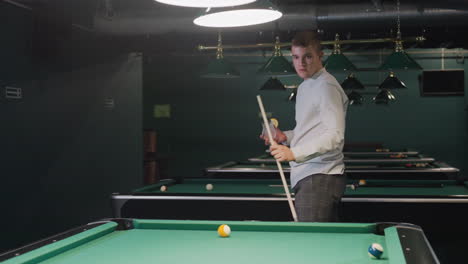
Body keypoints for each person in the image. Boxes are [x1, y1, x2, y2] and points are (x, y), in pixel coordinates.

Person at [260, 31, 349, 222]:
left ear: (320, 56)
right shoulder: (305, 86)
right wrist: (285, 137)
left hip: (319, 176)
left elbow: (334, 136)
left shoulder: (326, 86)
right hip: (308, 175)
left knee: (312, 242)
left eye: (308, 56)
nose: (301, 63)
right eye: (296, 57)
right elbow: (309, 130)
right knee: (317, 241)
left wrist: (294, 153)